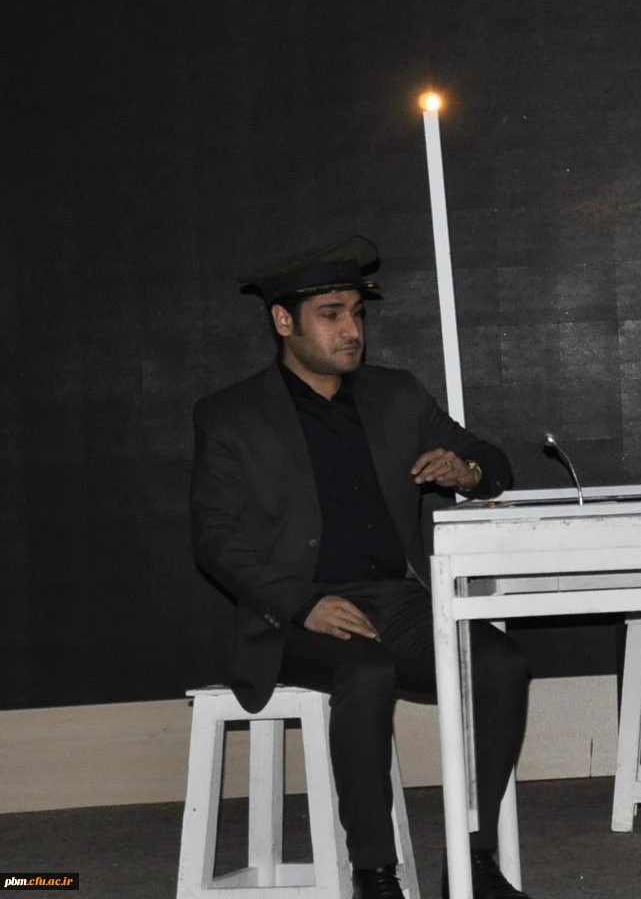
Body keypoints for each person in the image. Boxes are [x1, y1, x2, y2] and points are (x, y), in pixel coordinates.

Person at [190, 235, 534, 899]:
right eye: (331, 314)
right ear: (283, 321)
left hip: (397, 601)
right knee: (366, 671)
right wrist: (303, 603)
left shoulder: (395, 395)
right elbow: (215, 541)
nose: (352, 330)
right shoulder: (231, 416)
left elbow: (492, 461)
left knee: (499, 665)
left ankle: (472, 862)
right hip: (294, 616)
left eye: (357, 313)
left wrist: (467, 470)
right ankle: (374, 875)